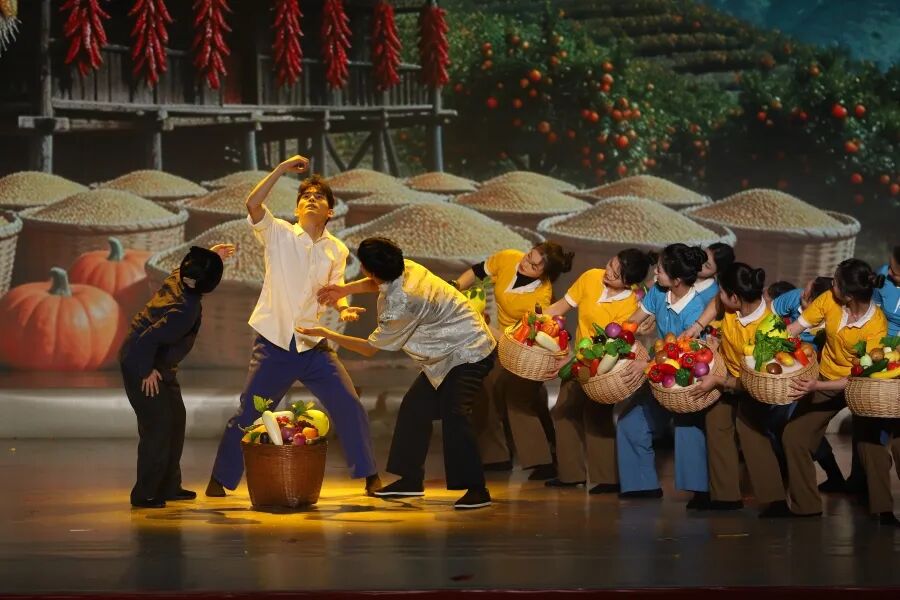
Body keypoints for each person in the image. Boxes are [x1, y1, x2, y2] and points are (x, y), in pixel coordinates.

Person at [206, 156, 380, 498]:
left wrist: (343, 307)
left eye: (319, 196)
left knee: (349, 403)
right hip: (275, 345)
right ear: (297, 208)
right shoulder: (278, 233)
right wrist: (282, 168)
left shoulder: (337, 249)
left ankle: (370, 475)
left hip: (313, 346)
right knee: (250, 412)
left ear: (330, 211)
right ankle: (220, 479)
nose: (311, 199)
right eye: (305, 196)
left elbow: (335, 288)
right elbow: (253, 203)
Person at [309, 237, 497, 509]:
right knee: (414, 409)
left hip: (470, 350)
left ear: (368, 269)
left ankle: (477, 489)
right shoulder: (405, 266)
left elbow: (369, 348)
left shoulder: (403, 302)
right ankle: (410, 480)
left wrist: (325, 333)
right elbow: (379, 282)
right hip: (445, 354)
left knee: (455, 413)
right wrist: (344, 290)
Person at [120, 244, 232, 508]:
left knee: (175, 419)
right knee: (158, 427)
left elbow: (187, 268)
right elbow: (147, 339)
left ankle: (169, 485)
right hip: (140, 361)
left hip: (160, 365)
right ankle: (146, 493)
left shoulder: (178, 278)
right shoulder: (185, 309)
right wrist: (146, 371)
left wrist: (212, 256)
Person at [451, 242, 573, 480]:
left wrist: (481, 323)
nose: (525, 264)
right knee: (485, 386)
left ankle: (543, 460)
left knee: (518, 398)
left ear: (544, 275)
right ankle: (495, 456)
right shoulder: (508, 258)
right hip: (500, 339)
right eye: (528, 257)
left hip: (527, 348)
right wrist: (455, 287)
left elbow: (524, 336)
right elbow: (478, 271)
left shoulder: (541, 298)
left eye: (534, 266)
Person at [781, 259, 888, 518]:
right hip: (826, 377)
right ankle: (806, 506)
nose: (831, 284)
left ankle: (882, 509)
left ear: (849, 295)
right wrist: (768, 346)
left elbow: (859, 376)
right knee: (794, 437)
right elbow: (795, 328)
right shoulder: (829, 299)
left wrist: (817, 385)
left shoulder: (876, 325)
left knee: (870, 445)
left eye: (836, 282)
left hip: (860, 386)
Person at [542, 248, 655, 494]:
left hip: (605, 366)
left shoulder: (631, 304)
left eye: (616, 273)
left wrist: (572, 360)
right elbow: (561, 306)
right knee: (563, 411)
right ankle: (570, 474)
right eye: (611, 264)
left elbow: (610, 343)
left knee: (597, 417)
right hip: (579, 360)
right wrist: (536, 320)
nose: (608, 272)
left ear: (629, 282)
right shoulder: (591, 277)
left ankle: (608, 479)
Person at [618, 244, 712, 506]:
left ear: (677, 279)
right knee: (631, 423)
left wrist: (646, 366)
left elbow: (683, 356)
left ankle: (701, 490)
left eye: (659, 269)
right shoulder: (659, 292)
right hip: (658, 374)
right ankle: (641, 485)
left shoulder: (695, 309)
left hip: (686, 378)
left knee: (687, 428)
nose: (655, 273)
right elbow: (634, 320)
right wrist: (618, 339)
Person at [689, 263, 776, 514]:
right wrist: (697, 326)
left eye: (723, 291)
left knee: (750, 431)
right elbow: (716, 303)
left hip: (754, 385)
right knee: (716, 422)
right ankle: (725, 497)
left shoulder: (769, 328)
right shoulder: (732, 306)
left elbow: (755, 382)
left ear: (735, 297)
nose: (719, 295)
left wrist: (719, 381)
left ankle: (775, 500)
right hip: (726, 374)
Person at [767, 277, 858, 494]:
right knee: (785, 424)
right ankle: (792, 475)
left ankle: (829, 476)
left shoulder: (832, 319)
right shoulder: (793, 298)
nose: (801, 294)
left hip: (809, 374)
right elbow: (768, 315)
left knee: (796, 424)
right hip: (782, 365)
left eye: (807, 294)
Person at [873, 245, 900, 336]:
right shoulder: (882, 274)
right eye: (890, 266)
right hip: (880, 330)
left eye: (894, 273)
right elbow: (874, 307)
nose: (888, 272)